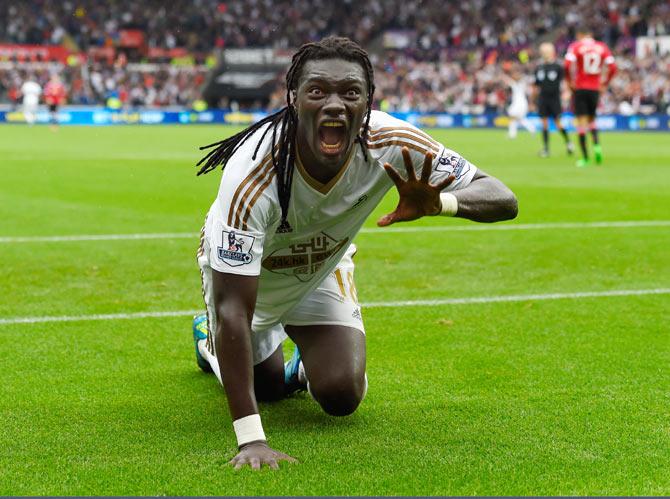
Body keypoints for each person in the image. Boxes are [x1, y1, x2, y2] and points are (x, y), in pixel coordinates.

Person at [191, 37, 518, 471]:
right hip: (254, 276)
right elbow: (233, 306)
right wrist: (251, 440)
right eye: (317, 91)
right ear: (292, 98)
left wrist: (442, 203)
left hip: (321, 265)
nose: (334, 104)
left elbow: (503, 198)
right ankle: (208, 342)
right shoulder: (254, 171)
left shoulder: (392, 140)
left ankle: (299, 364)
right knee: (264, 387)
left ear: (368, 101)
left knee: (342, 396)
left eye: (350, 93)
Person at [564, 26, 617, 167]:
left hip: (581, 87)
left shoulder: (576, 46)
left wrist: (570, 82)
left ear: (580, 34)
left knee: (581, 123)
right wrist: (605, 83)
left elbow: (567, 64)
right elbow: (613, 67)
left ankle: (585, 158)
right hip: (595, 89)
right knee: (592, 120)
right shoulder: (602, 47)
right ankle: (597, 148)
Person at [533, 42, 573, 158]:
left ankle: (568, 143)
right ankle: (546, 149)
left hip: (554, 98)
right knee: (544, 124)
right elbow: (536, 85)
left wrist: (567, 92)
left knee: (557, 123)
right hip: (543, 98)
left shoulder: (557, 67)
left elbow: (564, 81)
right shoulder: (539, 67)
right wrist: (533, 98)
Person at [502, 67, 536, 139]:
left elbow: (508, 80)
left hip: (519, 103)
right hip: (519, 103)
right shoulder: (518, 83)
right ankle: (531, 129)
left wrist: (503, 76)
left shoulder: (520, 84)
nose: (514, 76)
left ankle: (513, 134)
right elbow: (509, 80)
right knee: (519, 119)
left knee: (514, 117)